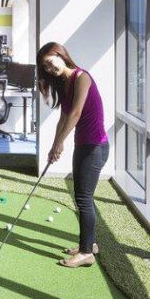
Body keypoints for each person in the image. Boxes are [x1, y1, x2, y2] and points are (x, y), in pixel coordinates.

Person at [36, 41, 109, 268]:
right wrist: (54, 145)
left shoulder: (81, 77)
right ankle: (90, 244)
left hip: (95, 147)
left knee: (83, 199)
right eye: (45, 68)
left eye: (49, 62)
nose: (49, 69)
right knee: (82, 197)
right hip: (83, 145)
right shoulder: (66, 84)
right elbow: (63, 117)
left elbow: (76, 114)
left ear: (60, 55)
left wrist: (60, 144)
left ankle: (86, 253)